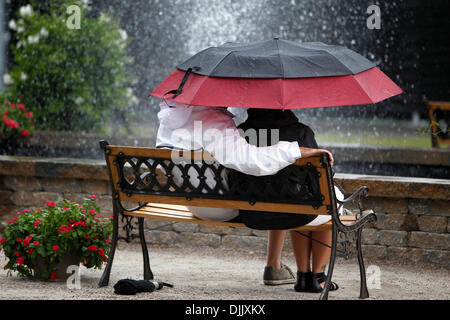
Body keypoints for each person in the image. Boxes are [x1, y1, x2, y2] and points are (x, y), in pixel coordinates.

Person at [155, 100, 334, 223]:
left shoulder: (171, 118)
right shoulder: (214, 120)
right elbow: (249, 161)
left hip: (193, 204)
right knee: (281, 191)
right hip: (219, 208)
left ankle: (275, 266)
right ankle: (286, 267)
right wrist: (296, 150)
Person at [238, 108, 341, 292]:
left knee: (297, 203)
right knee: (325, 203)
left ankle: (303, 275)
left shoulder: (240, 133)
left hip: (252, 212)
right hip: (294, 212)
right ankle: (318, 277)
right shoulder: (300, 132)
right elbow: (319, 178)